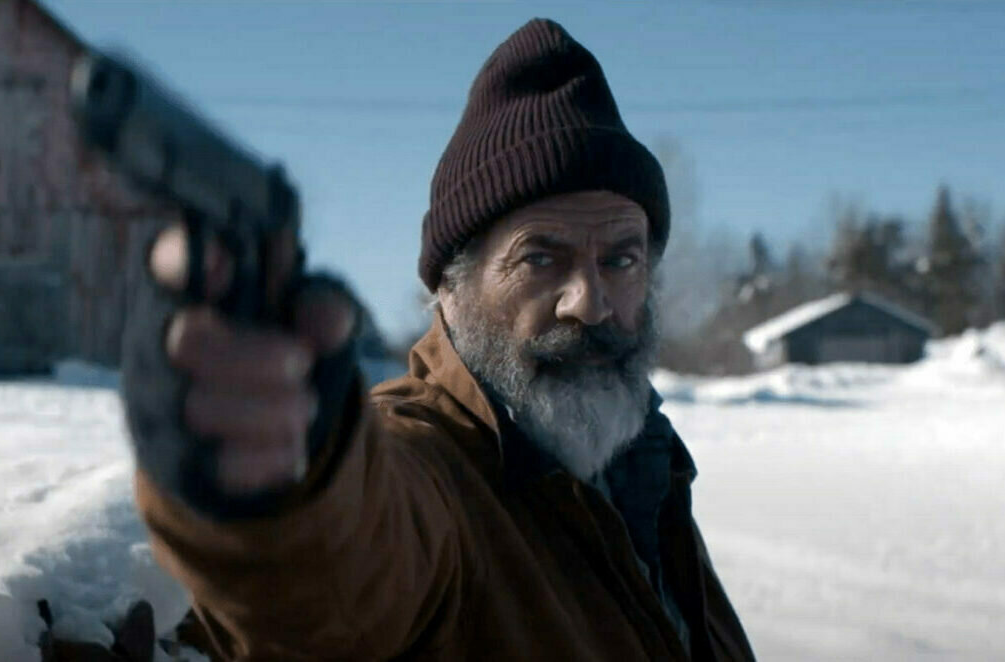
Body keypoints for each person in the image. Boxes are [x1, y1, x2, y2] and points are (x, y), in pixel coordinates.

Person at [128, 18, 754, 661]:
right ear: (451, 290)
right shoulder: (432, 463)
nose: (589, 304)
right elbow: (341, 573)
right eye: (540, 258)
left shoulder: (643, 464)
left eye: (620, 260)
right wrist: (287, 479)